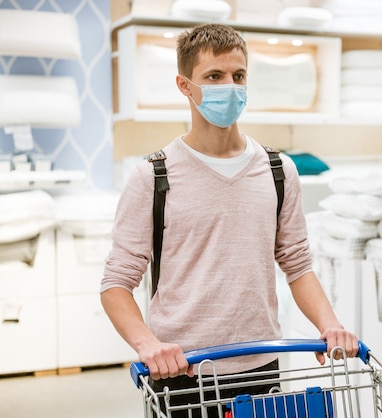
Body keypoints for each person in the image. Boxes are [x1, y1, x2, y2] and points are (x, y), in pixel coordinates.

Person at [100, 23, 359, 417]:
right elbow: (117, 283)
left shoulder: (279, 170)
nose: (230, 87)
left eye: (238, 76)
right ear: (185, 85)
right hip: (181, 371)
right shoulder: (153, 177)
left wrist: (330, 324)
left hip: (262, 363)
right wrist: (148, 344)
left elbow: (297, 264)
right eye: (214, 77)